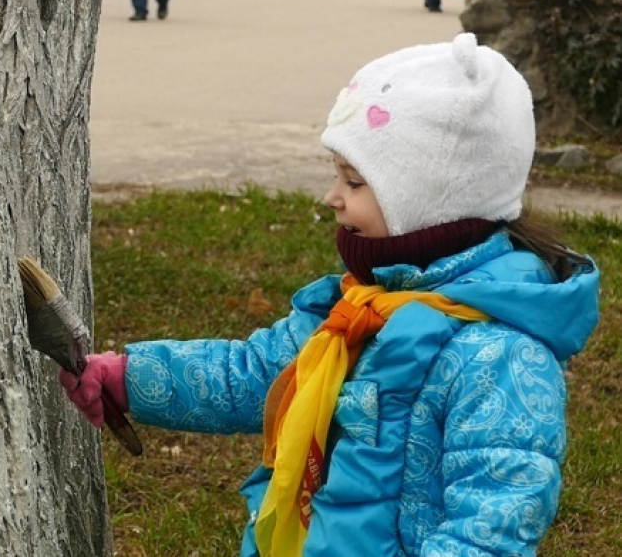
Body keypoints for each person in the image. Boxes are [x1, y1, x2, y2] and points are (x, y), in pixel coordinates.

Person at [59, 33, 600, 556]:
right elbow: (251, 375)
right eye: (336, 175)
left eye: (355, 182)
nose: (331, 197)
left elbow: (490, 531)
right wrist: (129, 379)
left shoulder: (500, 357)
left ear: (432, 200)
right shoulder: (359, 309)